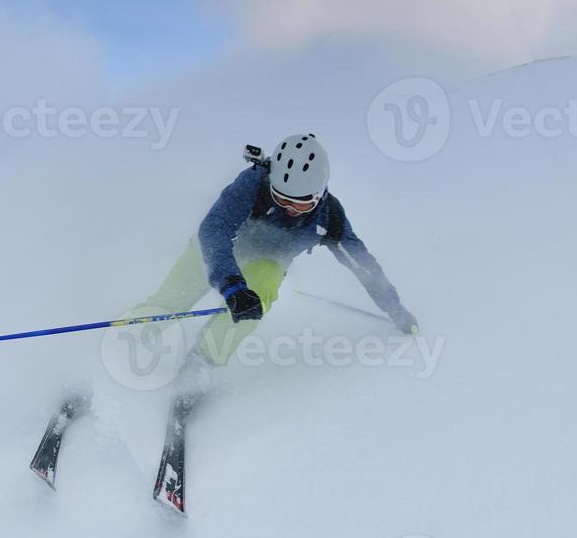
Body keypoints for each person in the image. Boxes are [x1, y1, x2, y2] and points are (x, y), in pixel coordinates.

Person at [129, 134, 418, 391]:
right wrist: (231, 285)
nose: (291, 210)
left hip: (264, 263)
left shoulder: (329, 217)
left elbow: (361, 264)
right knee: (169, 303)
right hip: (217, 251)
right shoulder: (254, 182)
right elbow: (213, 230)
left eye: (302, 203)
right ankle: (126, 339)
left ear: (320, 192)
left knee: (259, 294)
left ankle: (202, 362)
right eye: (282, 199)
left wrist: (394, 307)